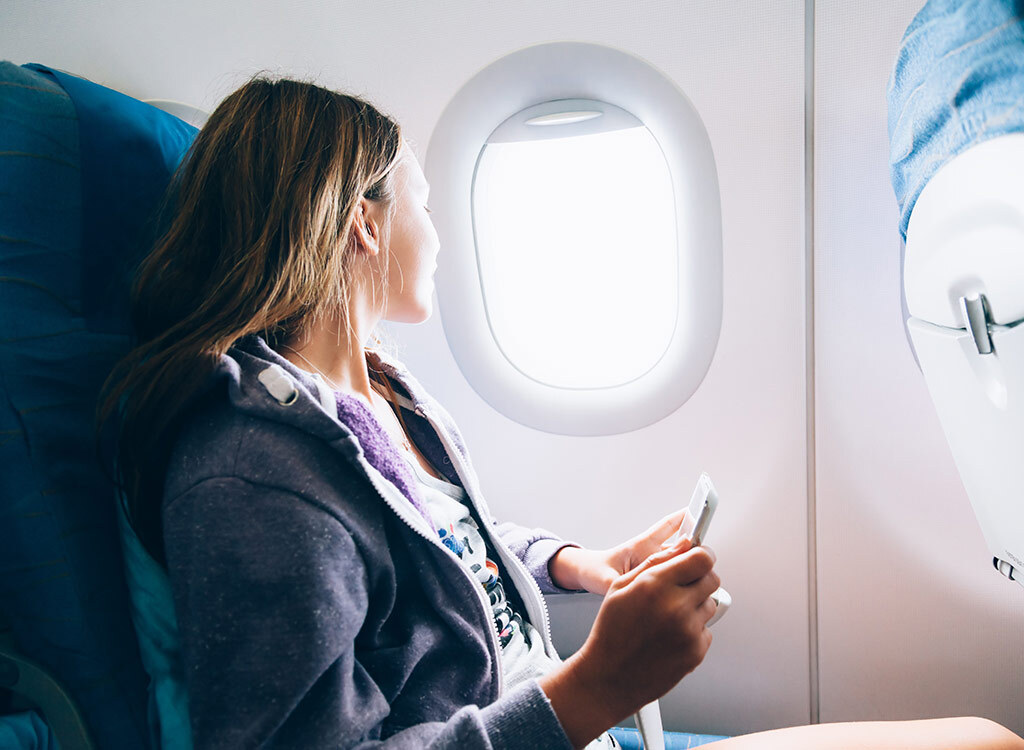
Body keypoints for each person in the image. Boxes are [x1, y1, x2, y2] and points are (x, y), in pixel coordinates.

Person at [98, 76, 1024, 750]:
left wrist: (580, 565)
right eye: (422, 198)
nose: (439, 229)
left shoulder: (376, 396)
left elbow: (439, 544)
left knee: (986, 738)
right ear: (365, 225)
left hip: (566, 730)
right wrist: (595, 686)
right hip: (554, 731)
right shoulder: (250, 475)